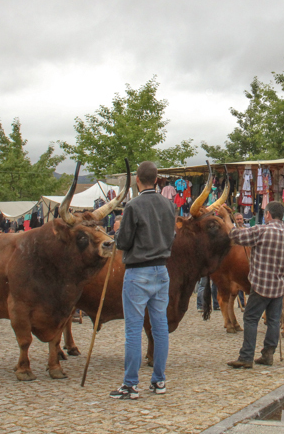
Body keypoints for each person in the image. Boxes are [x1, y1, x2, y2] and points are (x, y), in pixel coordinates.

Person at [111, 161, 176, 400]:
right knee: (160, 329)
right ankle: (159, 381)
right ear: (157, 180)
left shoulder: (133, 205)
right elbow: (172, 236)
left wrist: (117, 231)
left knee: (133, 330)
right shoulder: (169, 205)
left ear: (137, 180)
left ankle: (130, 385)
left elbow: (123, 242)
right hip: (162, 270)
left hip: (138, 271)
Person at [218, 201, 284, 368]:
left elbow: (235, 235)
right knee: (274, 321)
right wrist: (282, 275)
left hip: (261, 284)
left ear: (267, 214)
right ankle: (268, 355)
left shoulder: (261, 230)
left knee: (250, 318)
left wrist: (226, 217)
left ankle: (246, 357)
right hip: (279, 285)